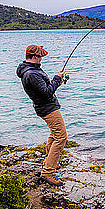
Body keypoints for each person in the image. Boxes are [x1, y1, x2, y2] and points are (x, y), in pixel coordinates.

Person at [16, 45, 66, 186]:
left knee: (54, 134)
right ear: (34, 57)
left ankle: (50, 163)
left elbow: (44, 88)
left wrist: (57, 81)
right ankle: (48, 172)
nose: (41, 60)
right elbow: (46, 92)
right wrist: (57, 79)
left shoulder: (32, 70)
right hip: (47, 108)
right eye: (40, 57)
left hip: (45, 107)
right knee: (61, 137)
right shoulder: (31, 73)